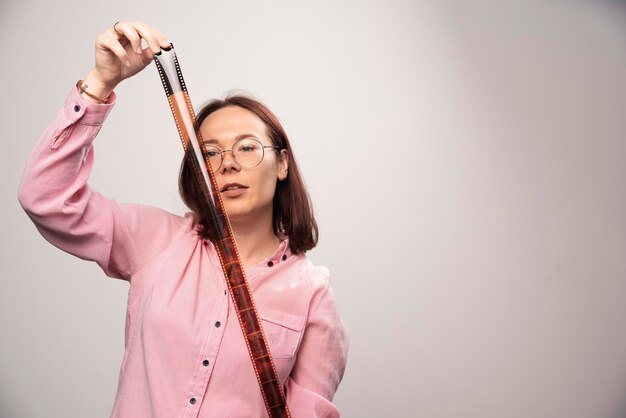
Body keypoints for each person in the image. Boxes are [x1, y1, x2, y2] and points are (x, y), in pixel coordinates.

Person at [18, 20, 349, 418]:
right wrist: (101, 82)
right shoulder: (154, 240)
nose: (227, 164)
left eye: (246, 148)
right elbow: (45, 197)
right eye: (209, 153)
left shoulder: (312, 294)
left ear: (281, 164)